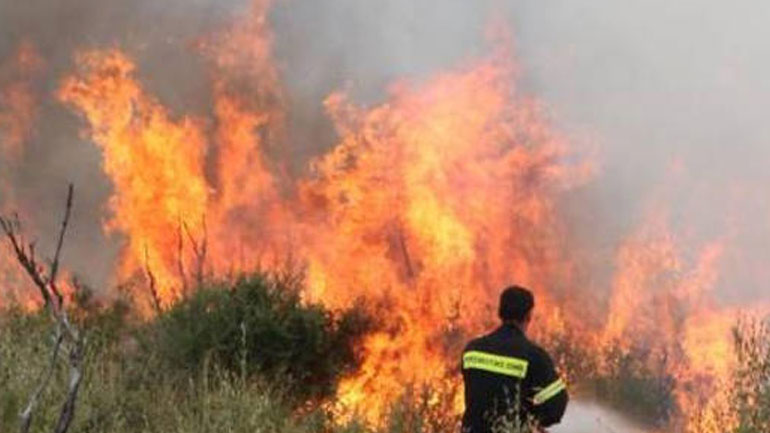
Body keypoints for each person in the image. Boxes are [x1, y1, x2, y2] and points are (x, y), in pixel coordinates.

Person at [461, 285, 568, 433]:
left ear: (500, 313)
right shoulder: (534, 356)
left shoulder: (472, 350)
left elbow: (482, 391)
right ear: (528, 316)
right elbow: (557, 405)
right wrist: (528, 419)